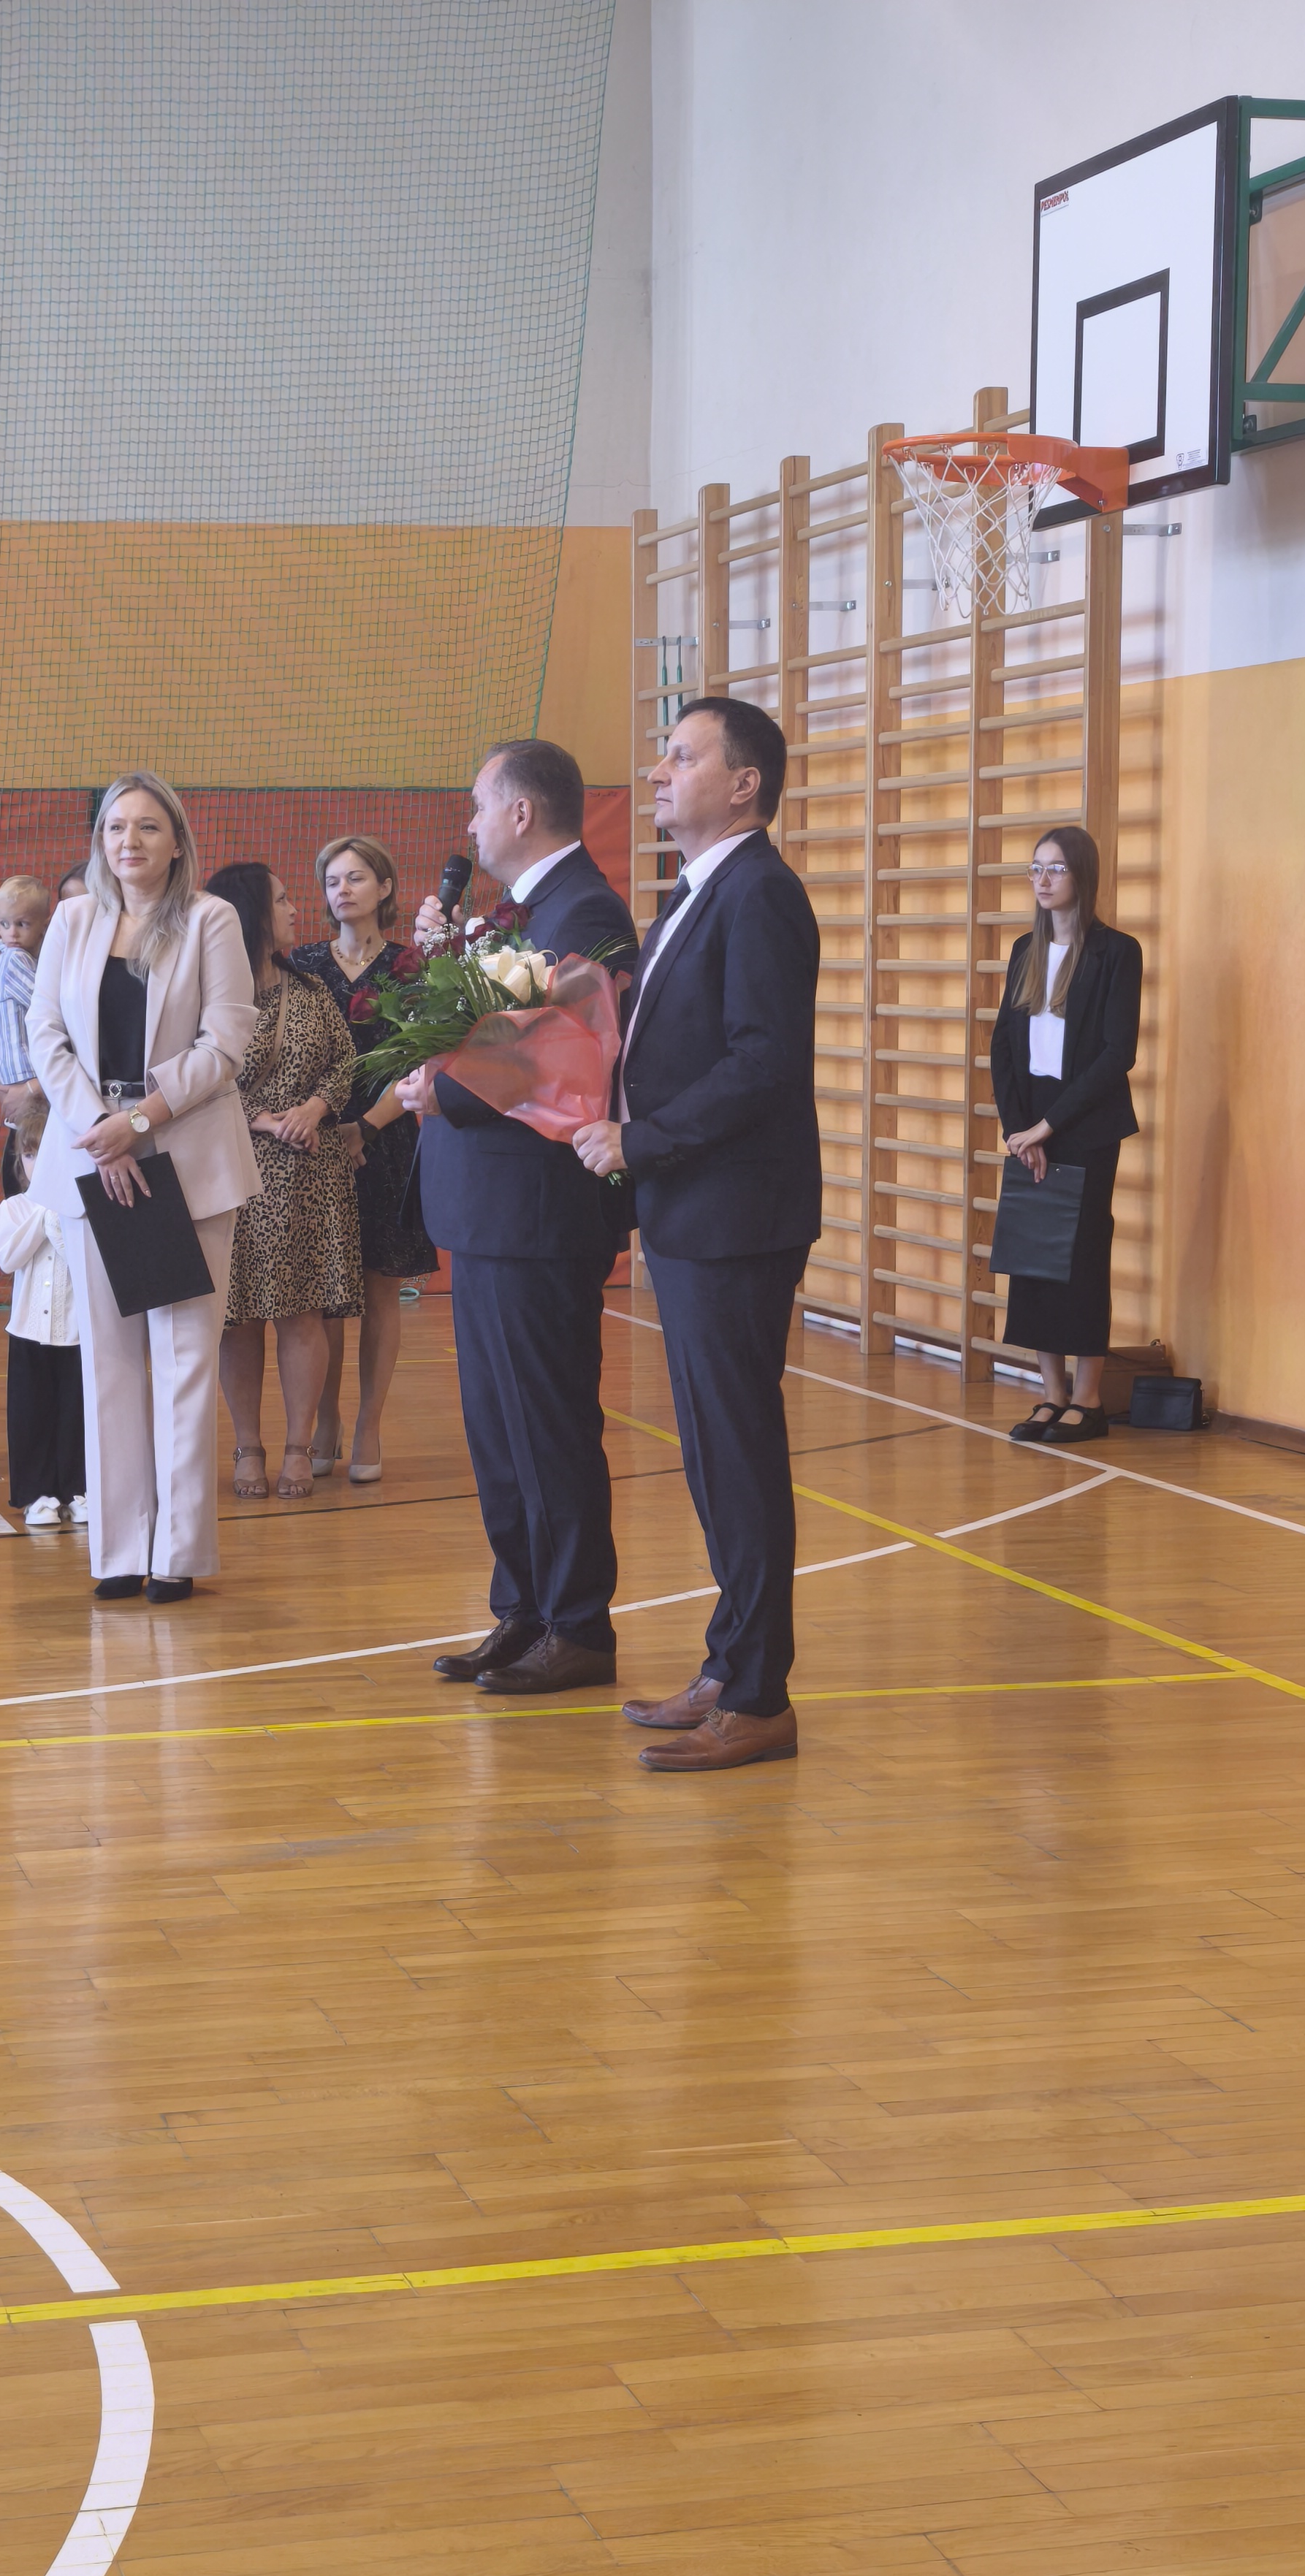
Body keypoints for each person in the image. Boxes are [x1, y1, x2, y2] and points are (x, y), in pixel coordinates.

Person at [573, 696, 820, 1775]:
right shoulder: (697, 891)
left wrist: (644, 1140)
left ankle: (760, 1697)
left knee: (739, 1452)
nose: (659, 772)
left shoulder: (760, 893)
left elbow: (763, 1063)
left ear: (745, 783)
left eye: (682, 756)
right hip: (692, 1211)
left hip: (734, 1215)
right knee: (715, 1455)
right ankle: (731, 1662)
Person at [405, 739, 639, 1693]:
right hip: (490, 1208)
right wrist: (448, 956)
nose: (468, 825)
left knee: (545, 1422)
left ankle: (577, 1623)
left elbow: (545, 1050)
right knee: (499, 1428)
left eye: (477, 805)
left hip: (536, 1210)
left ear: (519, 813)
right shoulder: (521, 912)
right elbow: (482, 1019)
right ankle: (525, 1609)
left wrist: (440, 1087)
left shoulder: (582, 911)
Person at [27, 771, 258, 1604]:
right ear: (101, 841)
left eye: (148, 826)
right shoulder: (72, 919)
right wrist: (104, 1128)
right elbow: (45, 1033)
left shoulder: (211, 919)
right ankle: (121, 1550)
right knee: (111, 1359)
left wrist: (142, 1120)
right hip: (94, 1155)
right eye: (116, 826)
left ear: (177, 841)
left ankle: (178, 1552)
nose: (130, 840)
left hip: (185, 1159)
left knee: (186, 1357)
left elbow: (225, 1043)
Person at [206, 861, 360, 1501]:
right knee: (237, 1320)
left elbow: (346, 1061)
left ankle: (299, 1447)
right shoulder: (211, 997)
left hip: (309, 1179)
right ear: (252, 915)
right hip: (233, 1176)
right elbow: (191, 1079)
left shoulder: (311, 988)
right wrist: (264, 1119)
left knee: (301, 1316)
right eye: (283, 899)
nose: (297, 909)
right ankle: (248, 1446)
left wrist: (316, 1108)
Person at [989, 823, 1142, 1447]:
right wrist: (1018, 1131)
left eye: (1055, 868)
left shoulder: (1118, 953)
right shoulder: (1025, 950)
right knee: (1032, 1261)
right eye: (1036, 868)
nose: (1043, 880)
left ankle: (1088, 1400)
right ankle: (1051, 1394)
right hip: (1030, 1126)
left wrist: (1048, 1128)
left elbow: (1116, 1054)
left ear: (1082, 875)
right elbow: (1003, 1046)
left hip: (1084, 1125)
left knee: (1080, 1259)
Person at [294, 835, 435, 1482]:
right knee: (323, 1293)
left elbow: (421, 1059)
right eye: (332, 881)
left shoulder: (412, 966)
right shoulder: (301, 964)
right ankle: (322, 1420)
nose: (342, 890)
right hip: (316, 1142)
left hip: (387, 1138)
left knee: (380, 1287)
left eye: (355, 878)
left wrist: (369, 1127)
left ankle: (368, 1426)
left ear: (384, 887)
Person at [0, 1105, 87, 1530]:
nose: (38, 1163)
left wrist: (62, 1207)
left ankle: (79, 1490)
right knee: (31, 1416)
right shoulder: (15, 1208)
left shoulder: (82, 1205)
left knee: (76, 1414)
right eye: (30, 1155)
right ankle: (37, 1495)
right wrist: (46, 1208)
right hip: (28, 1332)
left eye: (47, 1153)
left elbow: (80, 1260)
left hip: (77, 1331)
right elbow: (9, 1259)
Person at [0, 869, 87, 1200]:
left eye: (22, 924)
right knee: (28, 1169)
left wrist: (33, 1087)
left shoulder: (29, 958)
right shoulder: (19, 959)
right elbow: (45, 1005)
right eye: (5, 924)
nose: (12, 933)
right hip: (26, 1072)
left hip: (52, 1088)